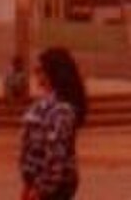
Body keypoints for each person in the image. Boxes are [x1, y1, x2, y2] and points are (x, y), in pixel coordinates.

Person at [19, 47, 87, 200]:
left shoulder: (61, 111)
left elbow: (56, 154)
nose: (36, 75)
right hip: (38, 180)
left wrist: (41, 189)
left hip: (55, 185)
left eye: (40, 70)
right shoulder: (45, 104)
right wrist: (28, 182)